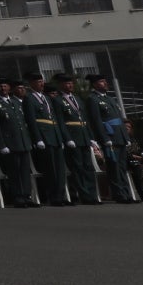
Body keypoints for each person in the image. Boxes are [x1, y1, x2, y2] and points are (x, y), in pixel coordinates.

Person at [84, 70, 135, 205]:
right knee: (114, 167)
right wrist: (104, 138)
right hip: (110, 137)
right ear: (95, 84)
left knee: (122, 167)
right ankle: (119, 194)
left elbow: (119, 118)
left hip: (120, 136)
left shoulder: (109, 98)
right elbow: (96, 120)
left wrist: (126, 136)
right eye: (102, 82)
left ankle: (126, 193)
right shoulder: (93, 99)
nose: (105, 83)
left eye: (105, 81)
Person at [0, 77, 37, 208]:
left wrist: (28, 140)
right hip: (9, 143)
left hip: (22, 141)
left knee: (25, 171)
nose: (3, 89)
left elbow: (23, 122)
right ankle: (18, 196)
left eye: (5, 86)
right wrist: (1, 145)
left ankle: (27, 195)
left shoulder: (16, 102)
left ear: (10, 88)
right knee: (14, 171)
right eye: (0, 86)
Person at [21, 73, 68, 207]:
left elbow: (54, 118)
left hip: (54, 134)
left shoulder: (47, 98)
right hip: (44, 136)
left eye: (42, 81)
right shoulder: (29, 98)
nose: (41, 84)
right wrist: (38, 138)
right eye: (38, 82)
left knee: (59, 168)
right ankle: (53, 196)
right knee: (50, 168)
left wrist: (60, 137)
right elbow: (31, 120)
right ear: (31, 84)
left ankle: (61, 194)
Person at [54, 74, 100, 205]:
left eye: (71, 83)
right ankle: (85, 195)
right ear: (61, 85)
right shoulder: (58, 100)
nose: (70, 86)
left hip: (84, 135)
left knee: (88, 167)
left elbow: (85, 119)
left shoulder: (78, 99)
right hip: (73, 137)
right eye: (67, 83)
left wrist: (91, 138)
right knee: (78, 168)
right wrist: (67, 138)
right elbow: (60, 121)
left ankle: (92, 194)